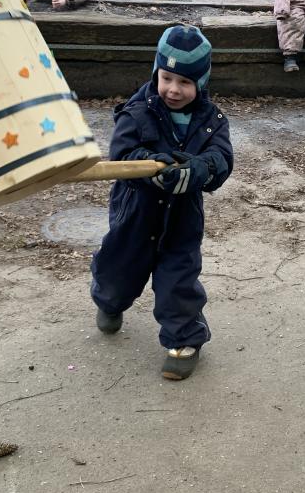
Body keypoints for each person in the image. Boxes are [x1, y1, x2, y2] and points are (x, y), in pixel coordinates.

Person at [90, 25, 234, 381]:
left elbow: (221, 159)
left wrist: (200, 169)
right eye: (166, 78)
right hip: (135, 212)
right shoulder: (136, 112)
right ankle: (109, 301)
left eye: (185, 82)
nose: (173, 89)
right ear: (156, 71)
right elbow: (121, 155)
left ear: (201, 82)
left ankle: (184, 339)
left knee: (178, 278)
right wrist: (148, 167)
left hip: (182, 218)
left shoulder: (211, 121)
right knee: (118, 270)